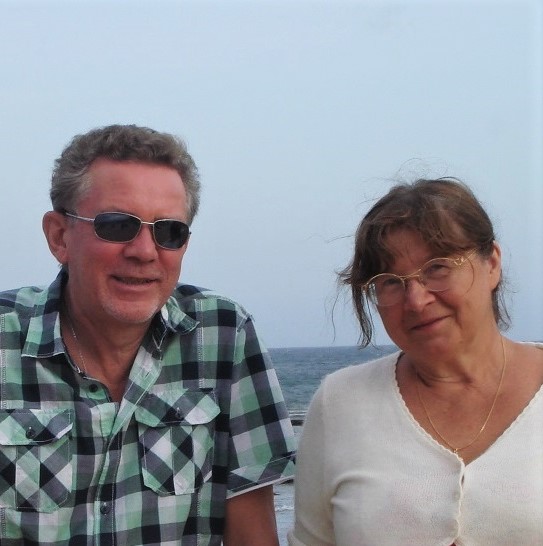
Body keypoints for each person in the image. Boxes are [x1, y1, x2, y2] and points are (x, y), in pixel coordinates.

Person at [0, 124, 295, 545]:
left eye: (168, 231)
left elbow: (253, 536)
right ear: (59, 236)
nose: (144, 251)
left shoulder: (223, 336)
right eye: (117, 225)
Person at [288, 178, 543, 545]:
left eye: (437, 268)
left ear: (492, 264)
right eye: (391, 281)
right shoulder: (340, 402)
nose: (416, 300)